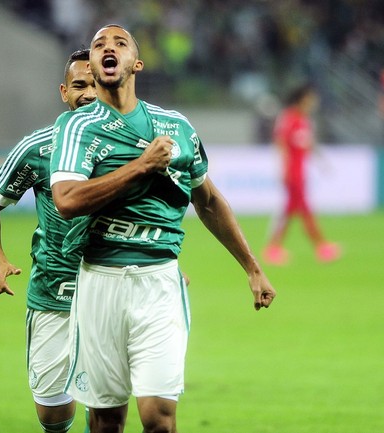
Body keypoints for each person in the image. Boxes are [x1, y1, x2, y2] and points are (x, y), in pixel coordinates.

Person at [49, 25, 276, 433]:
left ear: (136, 63)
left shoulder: (176, 127)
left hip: (159, 284)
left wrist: (252, 267)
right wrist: (141, 166)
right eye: (100, 44)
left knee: (159, 419)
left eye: (119, 43)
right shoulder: (77, 127)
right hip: (100, 281)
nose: (108, 48)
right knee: (105, 422)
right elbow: (66, 200)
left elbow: (207, 200)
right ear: (94, 66)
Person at [0, 50, 96, 433]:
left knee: (108, 408)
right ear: (64, 91)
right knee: (52, 413)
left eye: (95, 83)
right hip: (52, 294)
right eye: (80, 85)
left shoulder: (129, 145)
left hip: (110, 289)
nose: (89, 93)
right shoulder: (39, 147)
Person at [262, 83, 341, 265]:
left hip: (300, 172)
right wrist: (284, 168)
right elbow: (281, 143)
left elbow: (308, 144)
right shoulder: (289, 118)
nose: (314, 102)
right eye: (311, 99)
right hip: (292, 173)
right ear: (302, 99)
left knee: (293, 210)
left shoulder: (304, 120)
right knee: (302, 210)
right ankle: (320, 246)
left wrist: (322, 161)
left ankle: (275, 247)